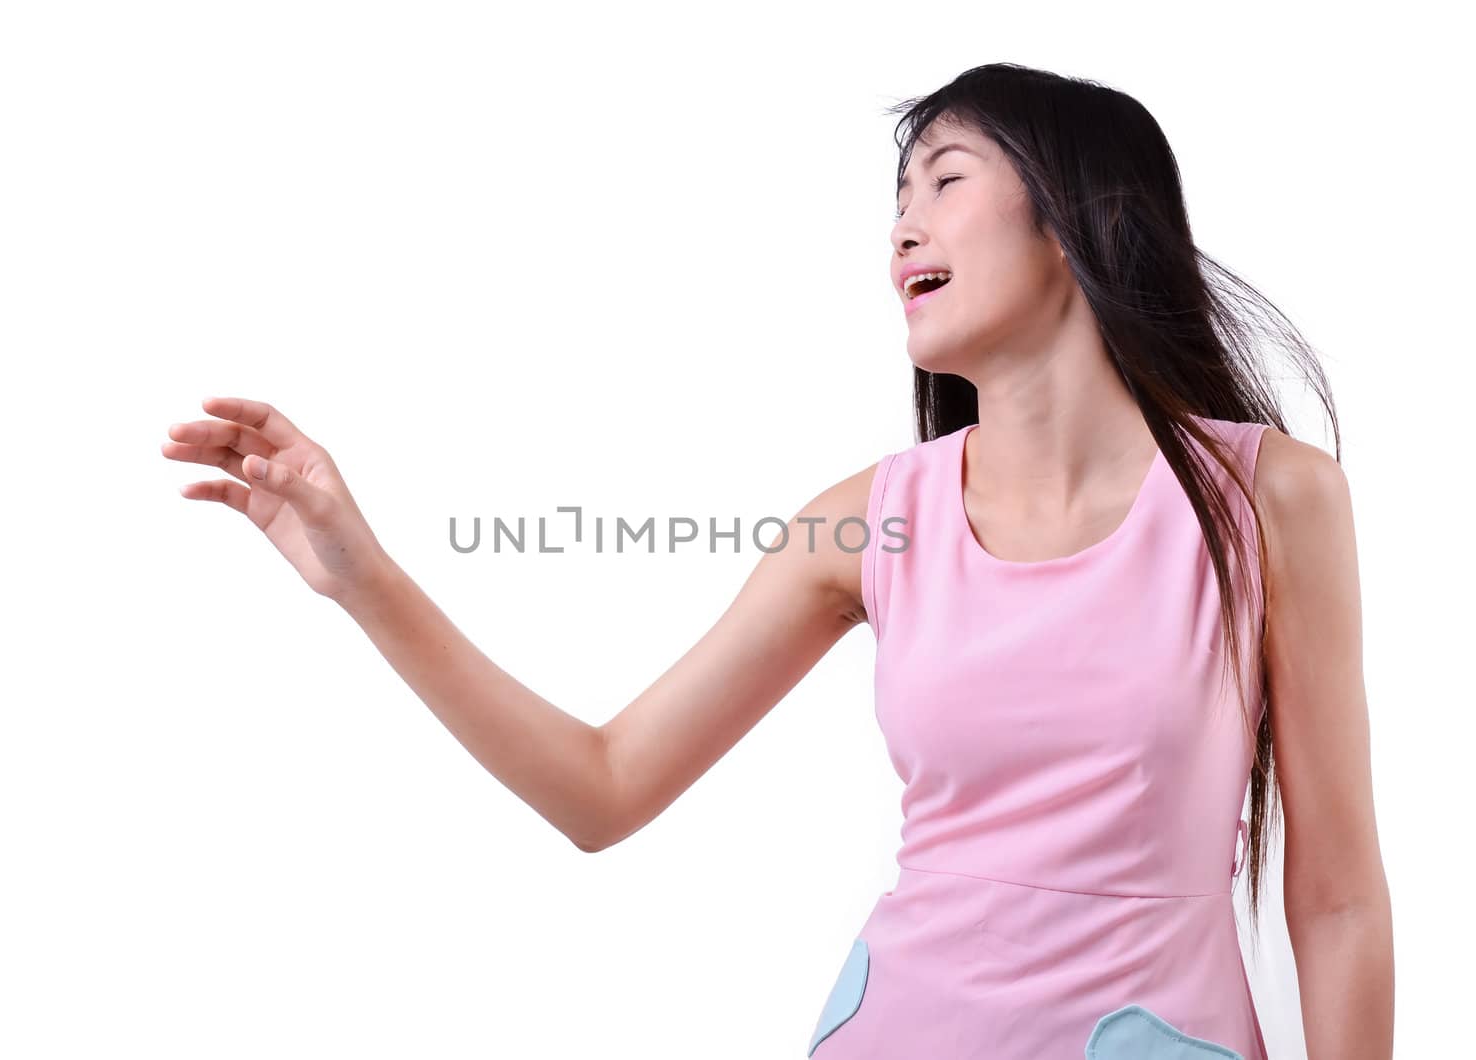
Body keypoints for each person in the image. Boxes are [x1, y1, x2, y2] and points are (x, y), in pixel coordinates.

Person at [160, 62, 1393, 1060]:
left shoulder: (1268, 500)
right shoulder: (863, 522)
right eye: (896, 200)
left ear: (1081, 218)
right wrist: (361, 574)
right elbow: (603, 784)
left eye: (943, 180)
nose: (902, 225)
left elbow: (1335, 899)